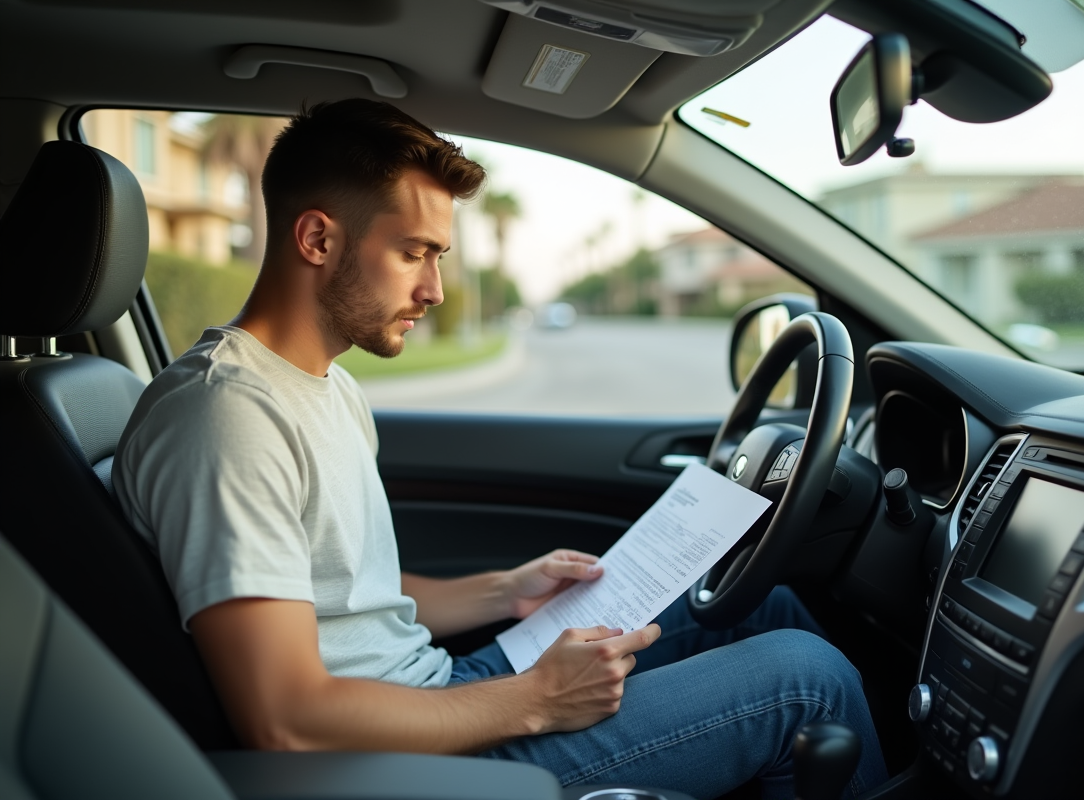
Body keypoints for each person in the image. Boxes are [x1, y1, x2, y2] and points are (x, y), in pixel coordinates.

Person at [114, 98, 886, 800]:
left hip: (435, 691)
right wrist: (537, 699)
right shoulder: (227, 416)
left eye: (438, 257)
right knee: (807, 681)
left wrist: (508, 591)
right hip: (402, 763)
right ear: (317, 237)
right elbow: (285, 720)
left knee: (760, 607)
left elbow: (341, 593)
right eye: (415, 251)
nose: (436, 290)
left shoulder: (322, 386)